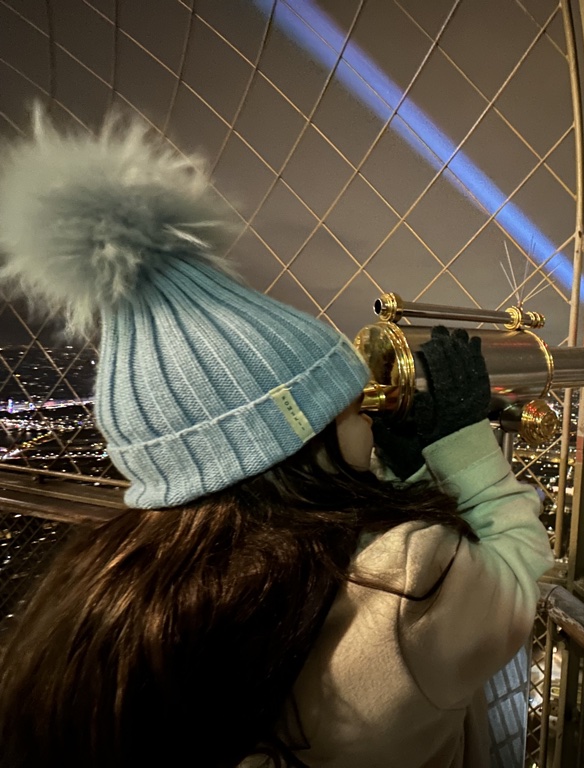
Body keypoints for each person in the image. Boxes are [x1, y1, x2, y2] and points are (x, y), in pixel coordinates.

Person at [0, 108, 554, 767]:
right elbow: (517, 582)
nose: (370, 420)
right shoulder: (404, 585)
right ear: (294, 445)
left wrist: (400, 481)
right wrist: (464, 443)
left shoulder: (106, 593)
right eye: (351, 412)